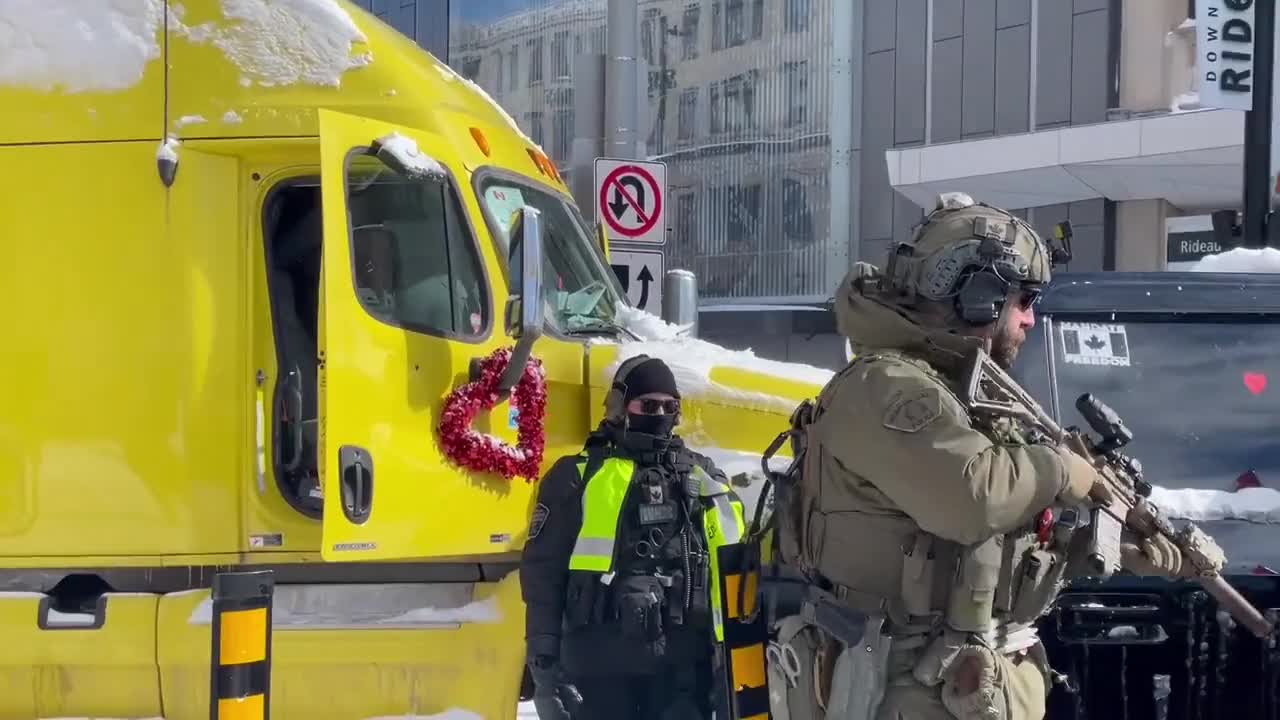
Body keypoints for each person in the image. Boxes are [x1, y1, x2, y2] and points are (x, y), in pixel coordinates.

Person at [770, 192, 1196, 720]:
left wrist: (1102, 546)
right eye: (1024, 301)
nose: (1032, 321)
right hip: (902, 686)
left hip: (966, 681)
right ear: (977, 297)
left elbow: (992, 542)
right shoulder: (888, 387)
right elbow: (973, 498)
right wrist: (1063, 469)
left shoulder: (963, 394)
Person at [520, 354, 747, 720]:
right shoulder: (577, 476)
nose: (659, 413)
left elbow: (734, 563)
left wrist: (732, 655)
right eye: (648, 404)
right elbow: (542, 574)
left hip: (682, 667)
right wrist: (543, 659)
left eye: (669, 405)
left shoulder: (704, 479)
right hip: (598, 666)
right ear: (621, 407)